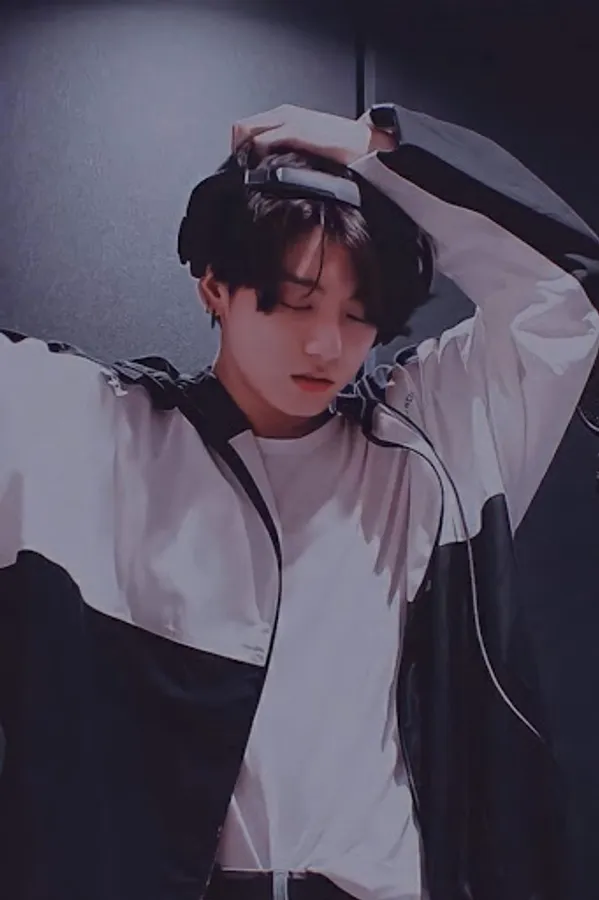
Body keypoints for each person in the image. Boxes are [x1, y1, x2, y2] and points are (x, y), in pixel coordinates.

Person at [0, 101, 597, 900]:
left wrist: (378, 149)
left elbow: (562, 294)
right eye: (294, 299)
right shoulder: (85, 430)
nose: (326, 345)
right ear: (215, 285)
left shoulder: (427, 445)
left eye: (358, 314)